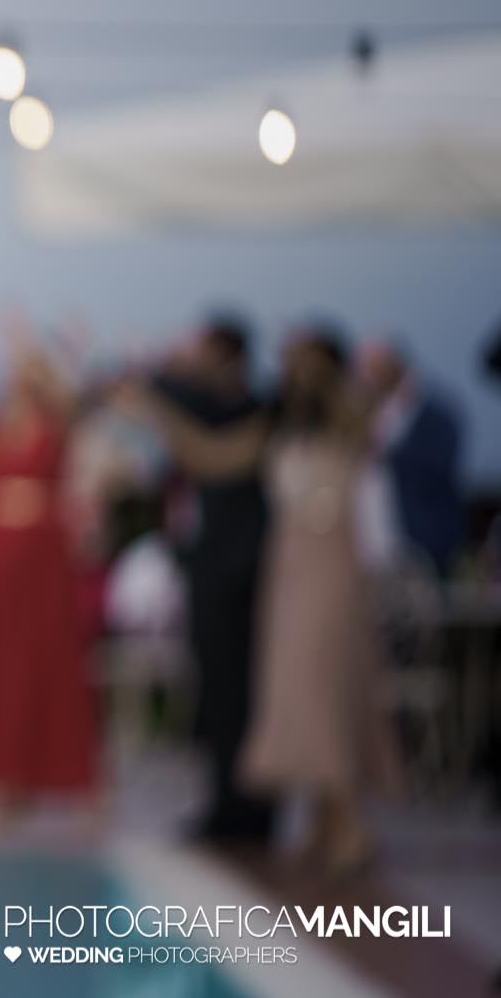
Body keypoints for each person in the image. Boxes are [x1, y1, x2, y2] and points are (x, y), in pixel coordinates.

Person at [119, 326, 401, 877]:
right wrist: (159, 410)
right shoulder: (276, 425)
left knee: (330, 688)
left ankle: (347, 822)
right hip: (289, 572)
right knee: (301, 693)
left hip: (332, 570)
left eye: (302, 358)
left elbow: (373, 398)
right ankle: (325, 820)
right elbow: (213, 456)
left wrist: (335, 373)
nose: (292, 368)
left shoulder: (348, 423)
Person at [0, 340, 100, 825]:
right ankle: (7, 783)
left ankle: (74, 781)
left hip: (43, 557)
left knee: (51, 661)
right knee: (1, 665)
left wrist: (50, 364)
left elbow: (76, 404)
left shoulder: (57, 421)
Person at [149, 315, 276, 846]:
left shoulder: (247, 411)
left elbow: (172, 398)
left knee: (241, 693)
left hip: (239, 571)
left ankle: (248, 806)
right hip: (209, 567)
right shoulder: (211, 408)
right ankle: (225, 801)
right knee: (216, 694)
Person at [356, 338, 464, 581]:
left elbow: (437, 468)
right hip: (375, 548)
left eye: (373, 368)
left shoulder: (433, 410)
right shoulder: (367, 413)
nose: (367, 377)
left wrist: (385, 453)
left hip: (421, 544)